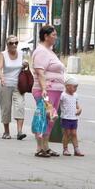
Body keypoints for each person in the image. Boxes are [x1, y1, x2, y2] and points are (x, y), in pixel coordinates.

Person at [32, 25, 66, 157]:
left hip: (55, 90)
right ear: (46, 36)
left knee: (51, 118)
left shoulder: (49, 51)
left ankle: (46, 146)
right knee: (44, 116)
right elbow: (40, 72)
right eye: (53, 35)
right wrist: (44, 89)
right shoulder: (41, 51)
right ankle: (39, 147)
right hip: (46, 90)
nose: (55, 37)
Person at [0, 35, 28, 140]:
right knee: (6, 108)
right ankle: (6, 132)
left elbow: (24, 67)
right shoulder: (3, 54)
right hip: (5, 85)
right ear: (7, 45)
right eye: (11, 43)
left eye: (16, 43)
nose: (14, 45)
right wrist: (2, 78)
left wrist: (25, 65)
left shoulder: (21, 54)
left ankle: (19, 132)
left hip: (19, 86)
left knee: (20, 106)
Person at [60, 75, 84, 156]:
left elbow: (77, 105)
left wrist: (80, 109)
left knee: (74, 133)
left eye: (76, 87)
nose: (75, 89)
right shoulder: (63, 95)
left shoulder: (75, 95)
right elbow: (57, 104)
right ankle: (65, 149)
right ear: (67, 86)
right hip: (66, 118)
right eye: (74, 87)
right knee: (67, 133)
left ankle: (76, 149)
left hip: (74, 118)